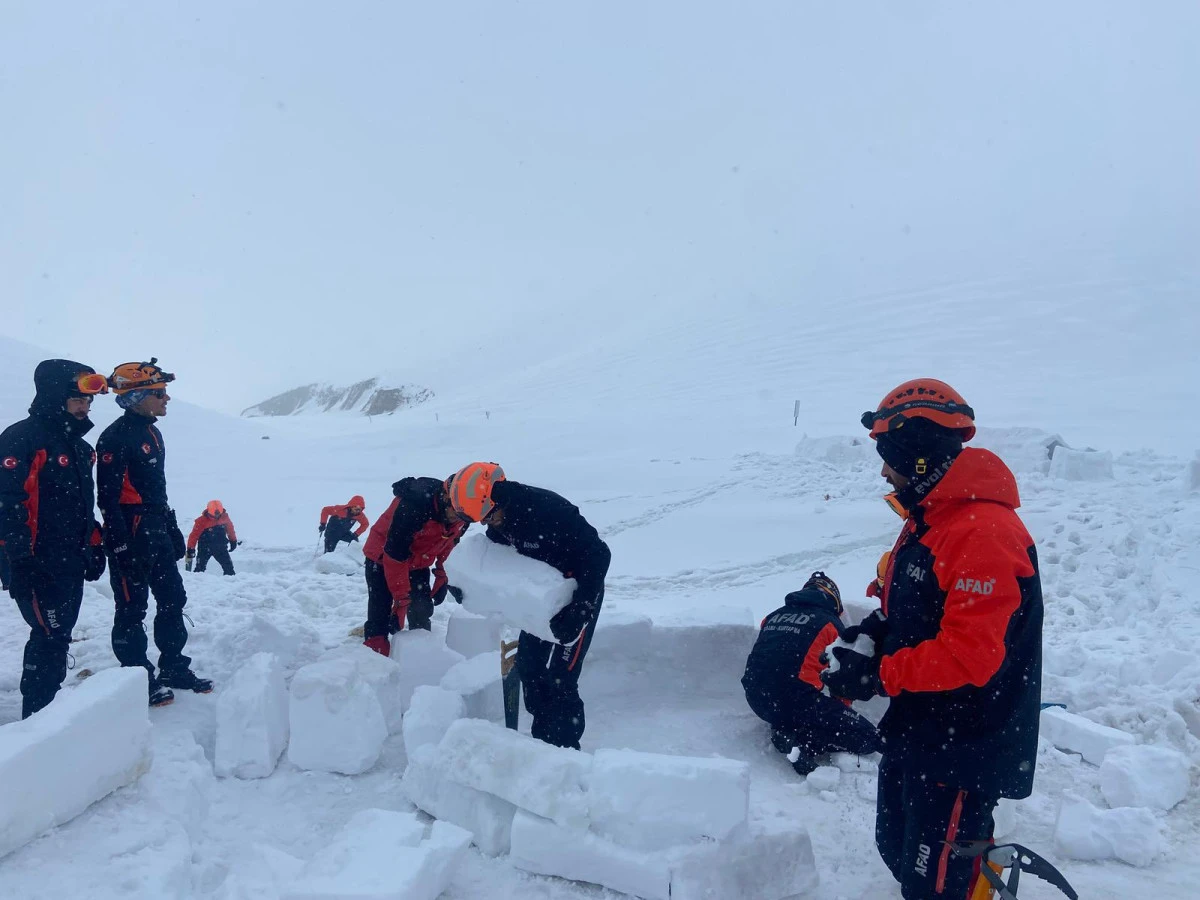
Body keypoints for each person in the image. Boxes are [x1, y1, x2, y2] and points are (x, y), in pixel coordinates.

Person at [821, 378, 1043, 900]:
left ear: (918, 456)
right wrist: (875, 633)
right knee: (897, 847)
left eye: (888, 456)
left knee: (936, 881)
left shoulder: (982, 531)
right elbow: (920, 609)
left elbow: (971, 655)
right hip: (922, 725)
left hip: (966, 737)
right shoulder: (932, 521)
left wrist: (878, 674)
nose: (882, 470)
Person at [448, 462, 611, 750]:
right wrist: (468, 587)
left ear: (498, 496)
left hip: (581, 594)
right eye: (482, 520)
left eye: (489, 516)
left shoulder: (550, 511)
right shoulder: (499, 523)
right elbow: (496, 566)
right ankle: (543, 744)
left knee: (562, 678)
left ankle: (566, 751)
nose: (488, 524)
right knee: (530, 666)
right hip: (543, 601)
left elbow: (599, 554)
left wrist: (581, 608)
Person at [97, 359, 212, 707]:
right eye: (159, 393)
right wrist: (118, 545)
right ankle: (137, 678)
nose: (167, 399)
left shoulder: (152, 431)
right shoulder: (115, 437)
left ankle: (173, 666)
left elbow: (155, 490)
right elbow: (107, 498)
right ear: (136, 397)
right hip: (130, 531)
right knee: (132, 608)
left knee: (173, 598)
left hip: (156, 526)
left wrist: (171, 527)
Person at [0, 360, 109, 718]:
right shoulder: (21, 439)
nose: (86, 407)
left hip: (69, 559)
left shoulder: (80, 448)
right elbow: (7, 503)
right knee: (49, 637)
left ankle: (50, 718)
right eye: (78, 400)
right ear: (54, 397)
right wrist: (19, 560)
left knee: (59, 634)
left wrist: (93, 543)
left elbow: (81, 504)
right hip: (35, 560)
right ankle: (37, 721)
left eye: (89, 402)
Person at [741, 571, 882, 775]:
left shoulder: (773, 616)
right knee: (870, 739)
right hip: (793, 700)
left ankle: (784, 726)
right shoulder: (829, 624)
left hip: (755, 698)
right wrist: (841, 713)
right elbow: (840, 679)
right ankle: (801, 742)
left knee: (793, 699)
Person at [360, 478, 467, 655]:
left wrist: (442, 573)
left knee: (421, 606)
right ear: (446, 500)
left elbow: (449, 541)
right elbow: (395, 555)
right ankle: (375, 656)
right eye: (455, 513)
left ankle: (421, 653)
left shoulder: (465, 511)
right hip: (381, 557)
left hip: (418, 561)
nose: (458, 519)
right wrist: (401, 599)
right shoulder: (414, 507)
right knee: (381, 609)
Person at [186, 500, 239, 575]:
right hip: (204, 549)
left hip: (221, 548)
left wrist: (233, 540)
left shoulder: (224, 517)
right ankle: (196, 583)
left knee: (229, 569)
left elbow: (230, 529)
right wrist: (190, 549)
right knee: (199, 570)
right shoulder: (201, 521)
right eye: (214, 514)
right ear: (209, 511)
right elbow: (193, 536)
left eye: (218, 514)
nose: (217, 516)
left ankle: (230, 584)